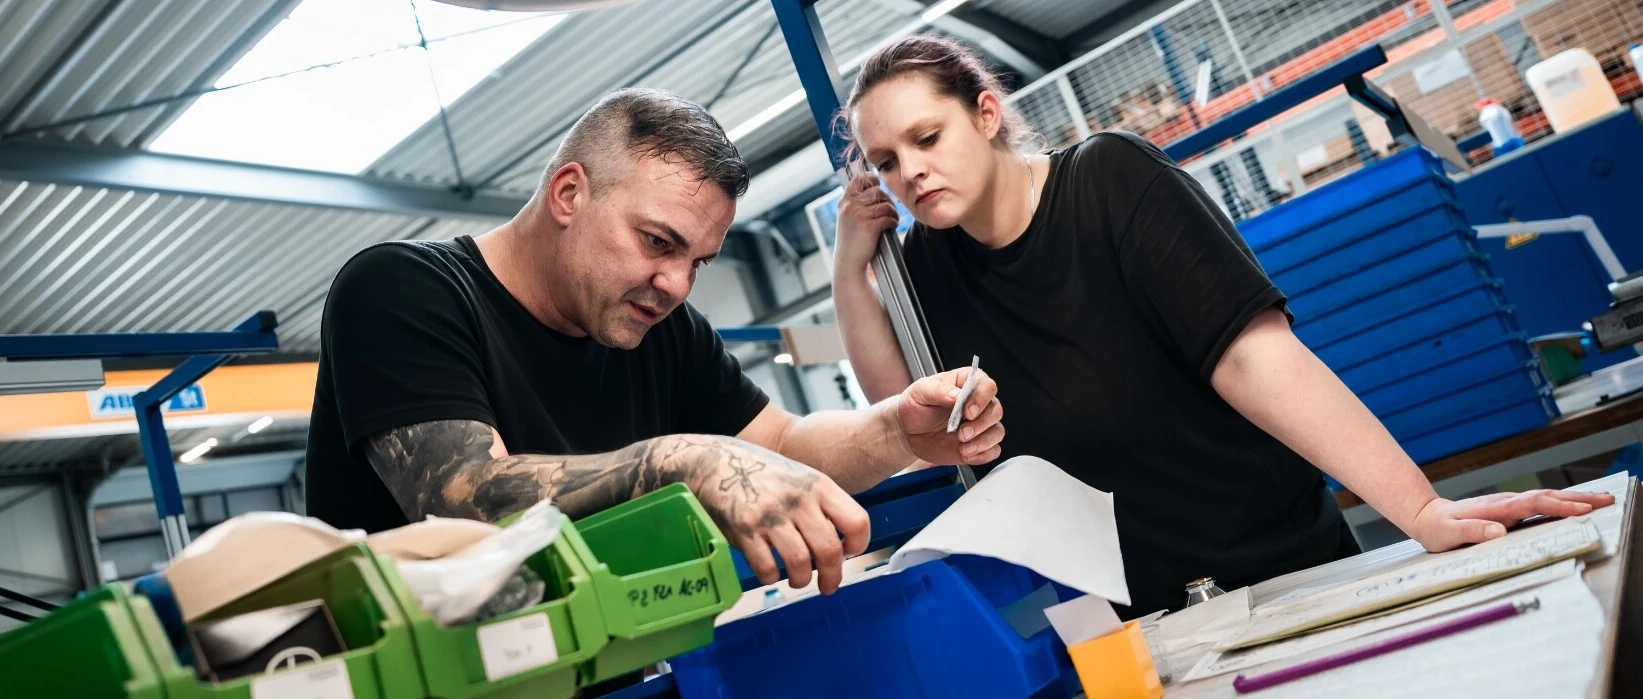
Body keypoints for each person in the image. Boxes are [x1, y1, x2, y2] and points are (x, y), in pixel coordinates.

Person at [831, 35, 1612, 615]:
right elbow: (905, 418)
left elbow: (1252, 360)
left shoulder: (1109, 180)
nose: (910, 172)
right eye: (887, 161)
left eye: (926, 139)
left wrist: (1418, 511)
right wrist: (848, 267)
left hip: (1285, 573)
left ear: (986, 113)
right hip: (1141, 619)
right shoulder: (928, 265)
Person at [305, 87, 1005, 596]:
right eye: (657, 241)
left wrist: (896, 430)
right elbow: (461, 495)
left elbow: (781, 448)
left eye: (698, 260)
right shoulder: (401, 289)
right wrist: (681, 458)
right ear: (569, 193)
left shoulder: (661, 327)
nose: (674, 284)